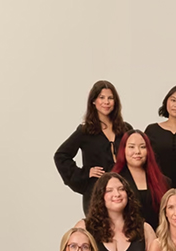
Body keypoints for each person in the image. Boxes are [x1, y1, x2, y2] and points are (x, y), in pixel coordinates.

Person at [54, 80, 132, 214]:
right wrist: (85, 173)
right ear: (93, 101)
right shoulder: (85, 131)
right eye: (101, 97)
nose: (106, 102)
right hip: (96, 195)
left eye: (110, 98)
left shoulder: (125, 129)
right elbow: (61, 156)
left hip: (122, 194)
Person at [111, 129, 169, 229]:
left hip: (158, 239)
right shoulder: (113, 181)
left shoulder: (163, 181)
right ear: (123, 150)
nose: (137, 151)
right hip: (125, 238)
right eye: (131, 147)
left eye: (142, 147)